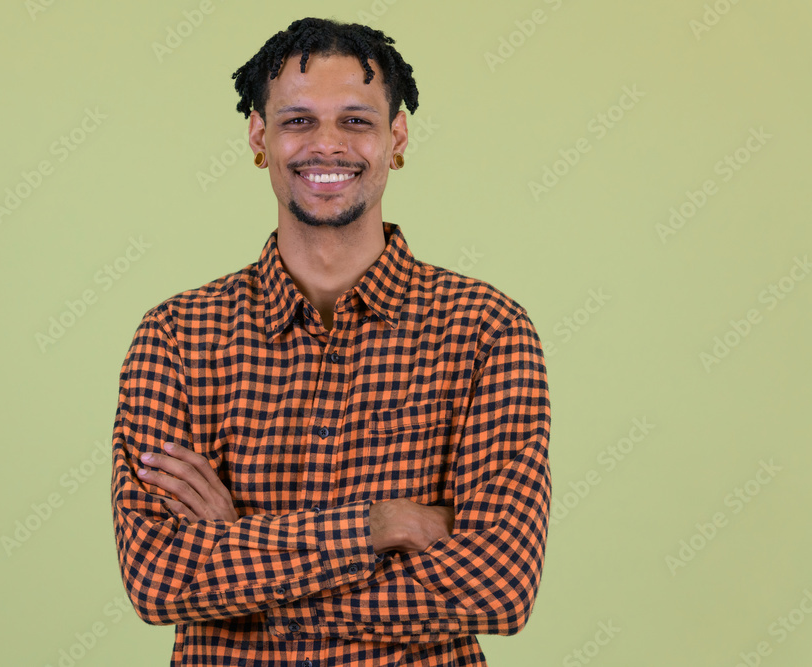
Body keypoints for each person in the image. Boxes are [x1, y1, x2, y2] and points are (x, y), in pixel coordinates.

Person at [110, 16, 551, 667]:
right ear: (259, 136)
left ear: (395, 138)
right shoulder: (175, 337)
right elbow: (159, 579)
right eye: (297, 120)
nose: (326, 144)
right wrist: (377, 526)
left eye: (355, 120)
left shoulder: (486, 329)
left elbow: (499, 588)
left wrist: (238, 552)